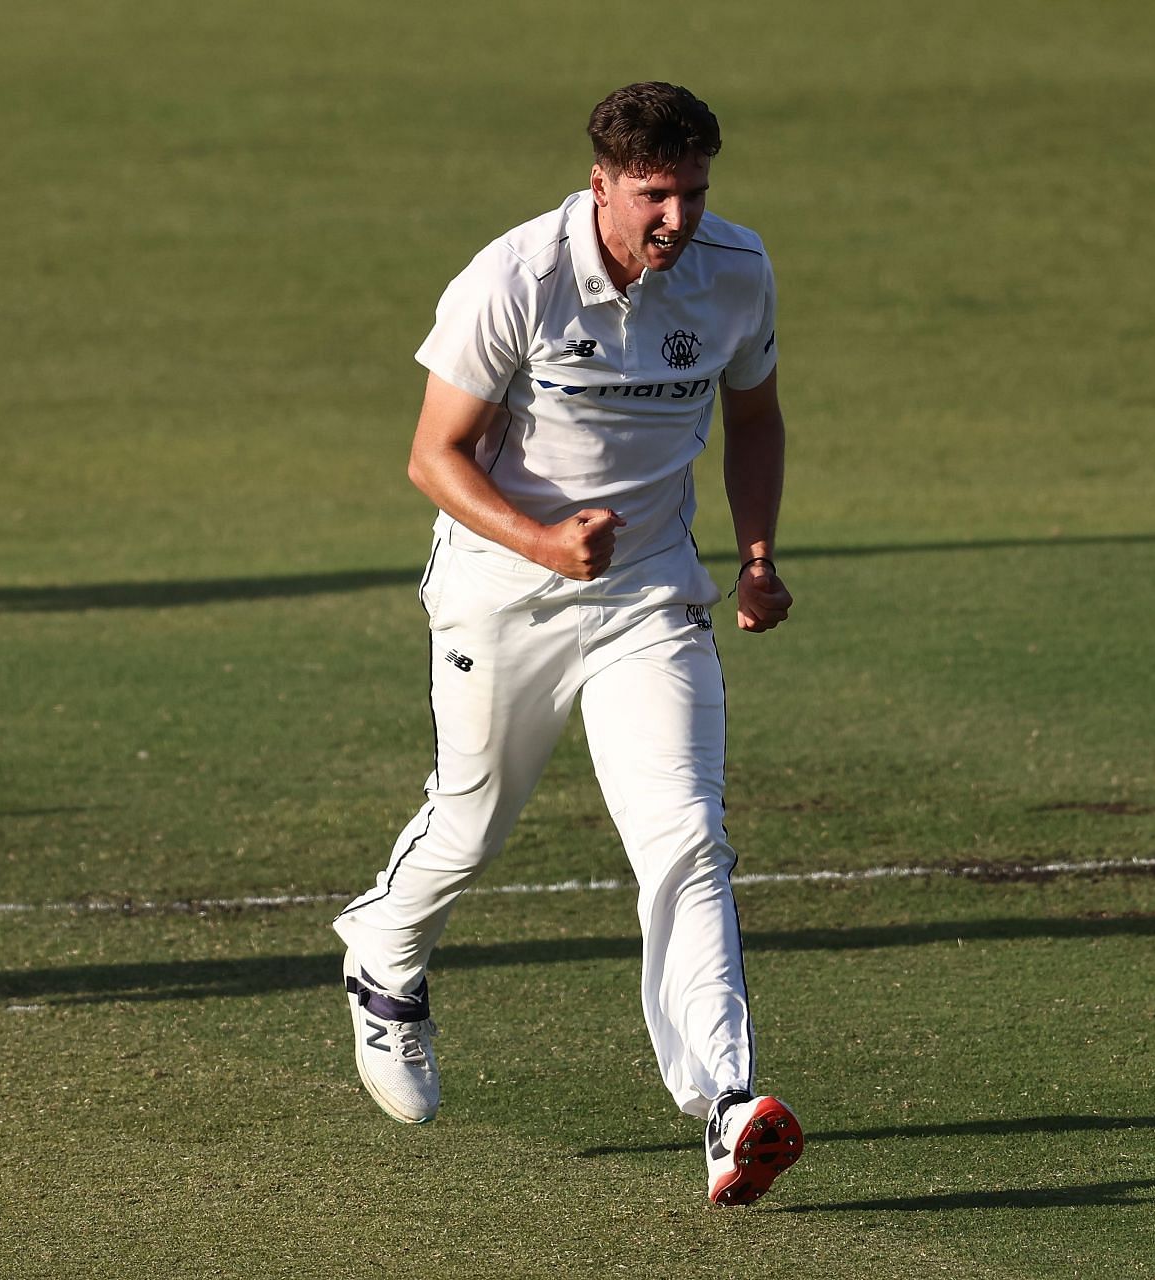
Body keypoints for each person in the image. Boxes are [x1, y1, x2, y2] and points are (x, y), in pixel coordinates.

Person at [331, 82, 802, 1206]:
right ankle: (383, 959)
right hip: (502, 591)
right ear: (602, 182)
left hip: (645, 597)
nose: (676, 218)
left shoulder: (736, 269)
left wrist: (755, 556)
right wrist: (541, 539)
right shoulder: (516, 277)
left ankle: (730, 1103)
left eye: (692, 191)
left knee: (688, 834)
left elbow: (757, 417)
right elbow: (433, 456)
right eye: (654, 194)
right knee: (471, 824)